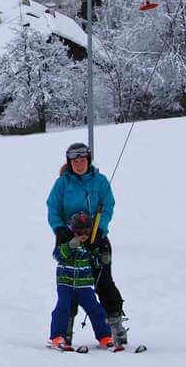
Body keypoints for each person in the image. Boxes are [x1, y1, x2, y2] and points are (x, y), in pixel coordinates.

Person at [46, 142, 125, 349]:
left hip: (96, 235)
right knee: (70, 286)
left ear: (88, 160)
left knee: (103, 282)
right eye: (74, 161)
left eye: (82, 160)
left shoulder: (100, 181)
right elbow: (52, 207)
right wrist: (59, 229)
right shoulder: (62, 183)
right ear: (69, 163)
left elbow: (108, 205)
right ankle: (66, 330)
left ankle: (114, 327)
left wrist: (101, 229)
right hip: (68, 236)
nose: (79, 164)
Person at [48, 212, 111, 352]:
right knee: (63, 308)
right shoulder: (67, 240)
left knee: (96, 309)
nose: (83, 235)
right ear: (72, 229)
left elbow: (95, 262)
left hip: (84, 285)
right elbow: (57, 255)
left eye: (87, 231)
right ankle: (57, 336)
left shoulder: (89, 245)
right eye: (79, 231)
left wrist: (102, 258)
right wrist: (70, 245)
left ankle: (105, 337)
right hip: (66, 284)